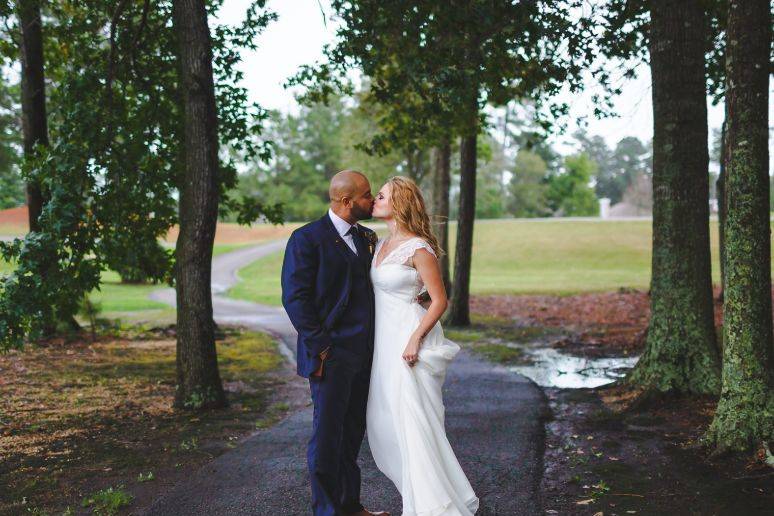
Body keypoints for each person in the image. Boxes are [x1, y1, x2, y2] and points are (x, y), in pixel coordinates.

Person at [367, 176, 479, 516]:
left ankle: (427, 506)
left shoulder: (419, 247)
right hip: (383, 341)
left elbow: (440, 300)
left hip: (407, 340)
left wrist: (415, 338)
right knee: (384, 421)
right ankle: (414, 494)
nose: (374, 199)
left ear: (399, 202)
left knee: (412, 421)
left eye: (382, 196)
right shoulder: (380, 243)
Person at [281, 170, 388, 516]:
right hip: (331, 356)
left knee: (351, 433)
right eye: (367, 195)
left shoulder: (369, 238)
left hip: (366, 355)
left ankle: (350, 506)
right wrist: (323, 347)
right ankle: (327, 511)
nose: (372, 200)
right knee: (327, 436)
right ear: (346, 201)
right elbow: (295, 299)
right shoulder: (307, 239)